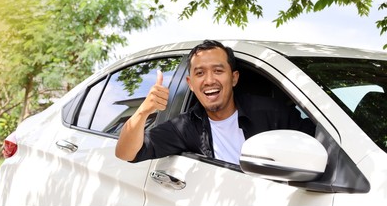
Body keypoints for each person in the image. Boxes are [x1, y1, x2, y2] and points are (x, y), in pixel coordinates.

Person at [115, 40, 315, 164]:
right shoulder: (185, 126)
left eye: (218, 71)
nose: (209, 80)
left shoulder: (273, 113)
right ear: (190, 84)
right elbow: (126, 153)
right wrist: (142, 112)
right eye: (200, 73)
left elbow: (322, 146)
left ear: (234, 78)